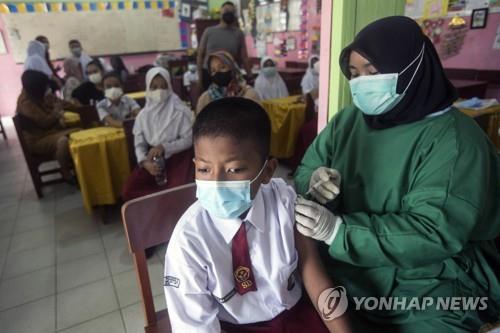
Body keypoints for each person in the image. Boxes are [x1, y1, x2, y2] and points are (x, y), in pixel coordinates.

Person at [293, 16, 500, 332]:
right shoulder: (348, 121)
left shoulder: (453, 140)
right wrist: (314, 182)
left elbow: (433, 230)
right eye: (354, 74)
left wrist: (338, 232)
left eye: (373, 72)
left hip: (432, 283)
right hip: (350, 271)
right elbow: (308, 168)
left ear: (412, 69)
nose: (361, 83)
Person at [164, 97, 351, 333]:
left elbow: (313, 273)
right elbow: (194, 326)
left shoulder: (284, 201)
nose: (217, 182)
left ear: (267, 171)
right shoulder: (189, 241)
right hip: (233, 327)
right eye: (204, 169)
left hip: (294, 315)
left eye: (234, 170)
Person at [122, 67, 194, 202]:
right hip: (152, 160)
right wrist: (144, 163)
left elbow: (188, 139)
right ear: (148, 88)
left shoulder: (180, 111)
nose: (159, 91)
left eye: (163, 86)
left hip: (178, 157)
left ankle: (169, 214)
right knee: (129, 190)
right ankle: (154, 214)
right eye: (154, 87)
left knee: (176, 191)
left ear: (169, 87)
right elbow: (139, 144)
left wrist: (164, 147)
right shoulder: (143, 116)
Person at [16, 70, 79, 183]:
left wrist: (78, 106)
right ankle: (66, 173)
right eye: (44, 87)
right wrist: (56, 112)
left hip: (48, 133)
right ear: (37, 87)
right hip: (37, 140)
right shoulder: (26, 103)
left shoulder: (35, 94)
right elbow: (45, 123)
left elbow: (59, 103)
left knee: (78, 129)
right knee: (63, 141)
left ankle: (76, 166)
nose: (46, 88)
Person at [197, 1, 252, 90]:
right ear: (220, 12)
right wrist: (199, 78)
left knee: (228, 102)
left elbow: (244, 57)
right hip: (209, 73)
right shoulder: (209, 31)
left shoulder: (238, 33)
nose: (228, 13)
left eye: (232, 11)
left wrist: (250, 75)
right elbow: (200, 55)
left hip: (228, 74)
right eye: (226, 10)